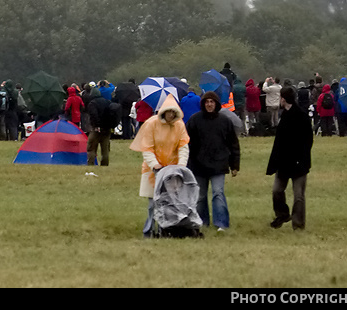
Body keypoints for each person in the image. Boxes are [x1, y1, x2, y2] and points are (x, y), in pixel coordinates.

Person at [130, 95, 189, 238]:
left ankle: (166, 230)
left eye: (174, 113)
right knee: (152, 204)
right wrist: (155, 165)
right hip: (153, 171)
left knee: (169, 203)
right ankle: (148, 231)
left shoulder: (179, 125)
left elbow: (183, 146)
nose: (171, 115)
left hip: (172, 170)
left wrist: (181, 166)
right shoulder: (151, 124)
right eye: (169, 112)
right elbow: (147, 148)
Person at [186, 91, 240, 232]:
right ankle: (201, 222)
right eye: (206, 102)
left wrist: (235, 165)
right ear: (203, 104)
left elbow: (233, 144)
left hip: (219, 164)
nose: (209, 104)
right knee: (200, 197)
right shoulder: (194, 120)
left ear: (216, 104)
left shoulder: (225, 121)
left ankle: (221, 223)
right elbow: (187, 143)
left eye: (212, 102)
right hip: (198, 165)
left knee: (218, 193)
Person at [266, 86, 313, 231]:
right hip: (283, 163)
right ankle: (283, 214)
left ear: (283, 99)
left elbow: (308, 141)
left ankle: (298, 225)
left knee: (298, 196)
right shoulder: (284, 115)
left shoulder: (301, 116)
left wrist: (302, 159)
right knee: (277, 191)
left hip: (299, 163)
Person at [85, 86, 119, 166]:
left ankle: (91, 164)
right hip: (107, 129)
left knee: (91, 148)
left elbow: (94, 115)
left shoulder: (92, 103)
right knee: (105, 149)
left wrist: (96, 125)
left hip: (96, 129)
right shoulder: (107, 102)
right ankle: (104, 165)